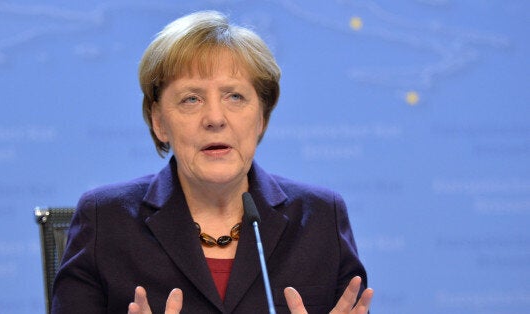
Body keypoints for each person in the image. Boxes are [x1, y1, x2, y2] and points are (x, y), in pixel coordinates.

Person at [51, 10, 373, 314]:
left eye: (235, 96)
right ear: (159, 121)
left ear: (261, 117)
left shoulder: (319, 217)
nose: (215, 118)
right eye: (192, 98)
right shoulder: (106, 220)